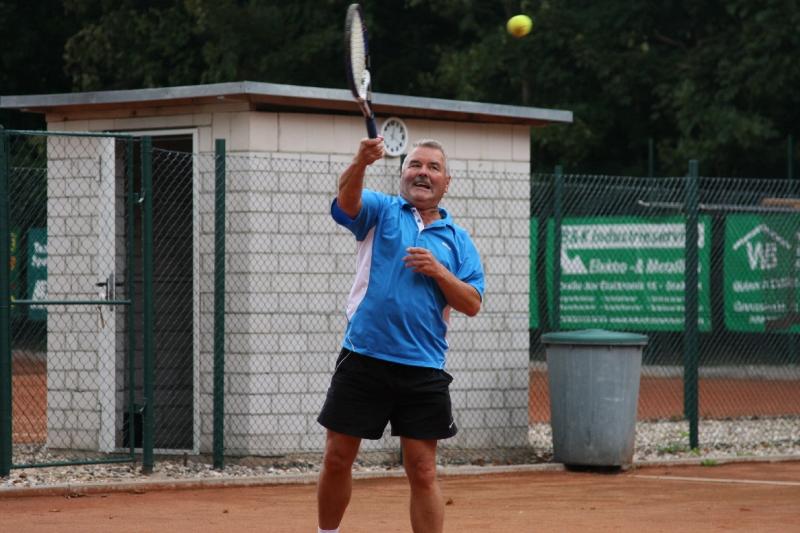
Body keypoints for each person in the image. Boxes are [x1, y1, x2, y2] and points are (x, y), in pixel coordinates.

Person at [316, 136, 485, 533]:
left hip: (423, 368)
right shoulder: (381, 210)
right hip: (363, 356)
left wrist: (439, 271)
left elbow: (472, 303)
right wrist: (360, 161)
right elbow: (346, 203)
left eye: (433, 167)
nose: (423, 173)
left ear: (447, 182)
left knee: (423, 469)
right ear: (402, 173)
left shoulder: (458, 240)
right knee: (337, 458)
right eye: (415, 165)